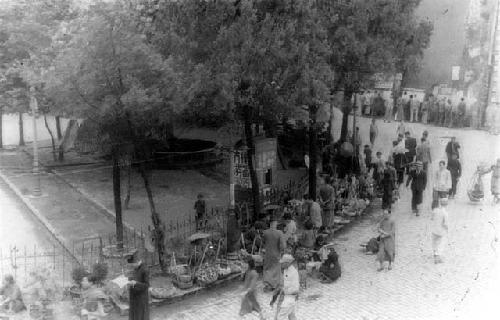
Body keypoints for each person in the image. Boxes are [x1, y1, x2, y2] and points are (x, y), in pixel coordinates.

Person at [272, 254, 299, 320]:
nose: (281, 264)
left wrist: (284, 290)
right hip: (285, 297)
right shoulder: (285, 270)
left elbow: (296, 289)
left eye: (282, 263)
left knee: (280, 317)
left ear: (287, 263)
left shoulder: (293, 273)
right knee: (292, 317)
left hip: (290, 298)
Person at [262, 219, 286, 292]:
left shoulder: (265, 232)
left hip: (268, 254)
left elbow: (263, 242)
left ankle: (268, 285)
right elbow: (283, 246)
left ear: (270, 224)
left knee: (267, 269)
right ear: (275, 223)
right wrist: (282, 251)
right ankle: (275, 285)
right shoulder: (279, 233)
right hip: (276, 254)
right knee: (276, 269)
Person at [127, 251, 149, 320]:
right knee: (134, 315)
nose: (132, 265)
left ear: (138, 261)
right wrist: (128, 279)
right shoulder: (136, 267)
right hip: (134, 296)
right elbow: (136, 277)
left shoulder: (145, 269)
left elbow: (146, 285)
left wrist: (136, 283)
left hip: (141, 298)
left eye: (133, 264)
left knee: (140, 316)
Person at [431, 198, 449, 264]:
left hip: (434, 230)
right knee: (440, 244)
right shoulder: (445, 213)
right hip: (441, 231)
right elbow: (445, 224)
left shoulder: (435, 210)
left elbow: (432, 218)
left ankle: (435, 254)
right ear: (447, 204)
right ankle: (438, 257)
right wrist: (447, 230)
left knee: (434, 243)